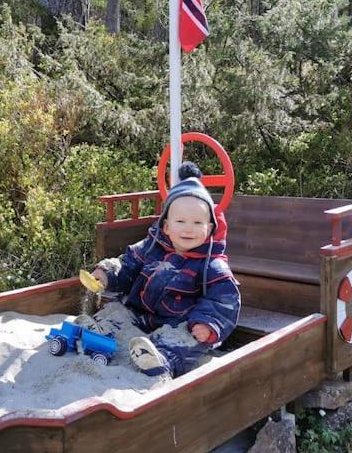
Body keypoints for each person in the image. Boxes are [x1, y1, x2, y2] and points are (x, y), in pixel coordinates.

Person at [89, 161, 240, 378]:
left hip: (178, 324)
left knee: (186, 341)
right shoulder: (151, 247)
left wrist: (207, 323)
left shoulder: (212, 265)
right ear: (166, 226)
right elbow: (128, 264)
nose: (189, 228)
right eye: (180, 221)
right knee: (116, 313)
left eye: (198, 223)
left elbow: (223, 300)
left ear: (210, 229)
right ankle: (100, 335)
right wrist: (107, 273)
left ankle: (159, 360)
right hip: (141, 315)